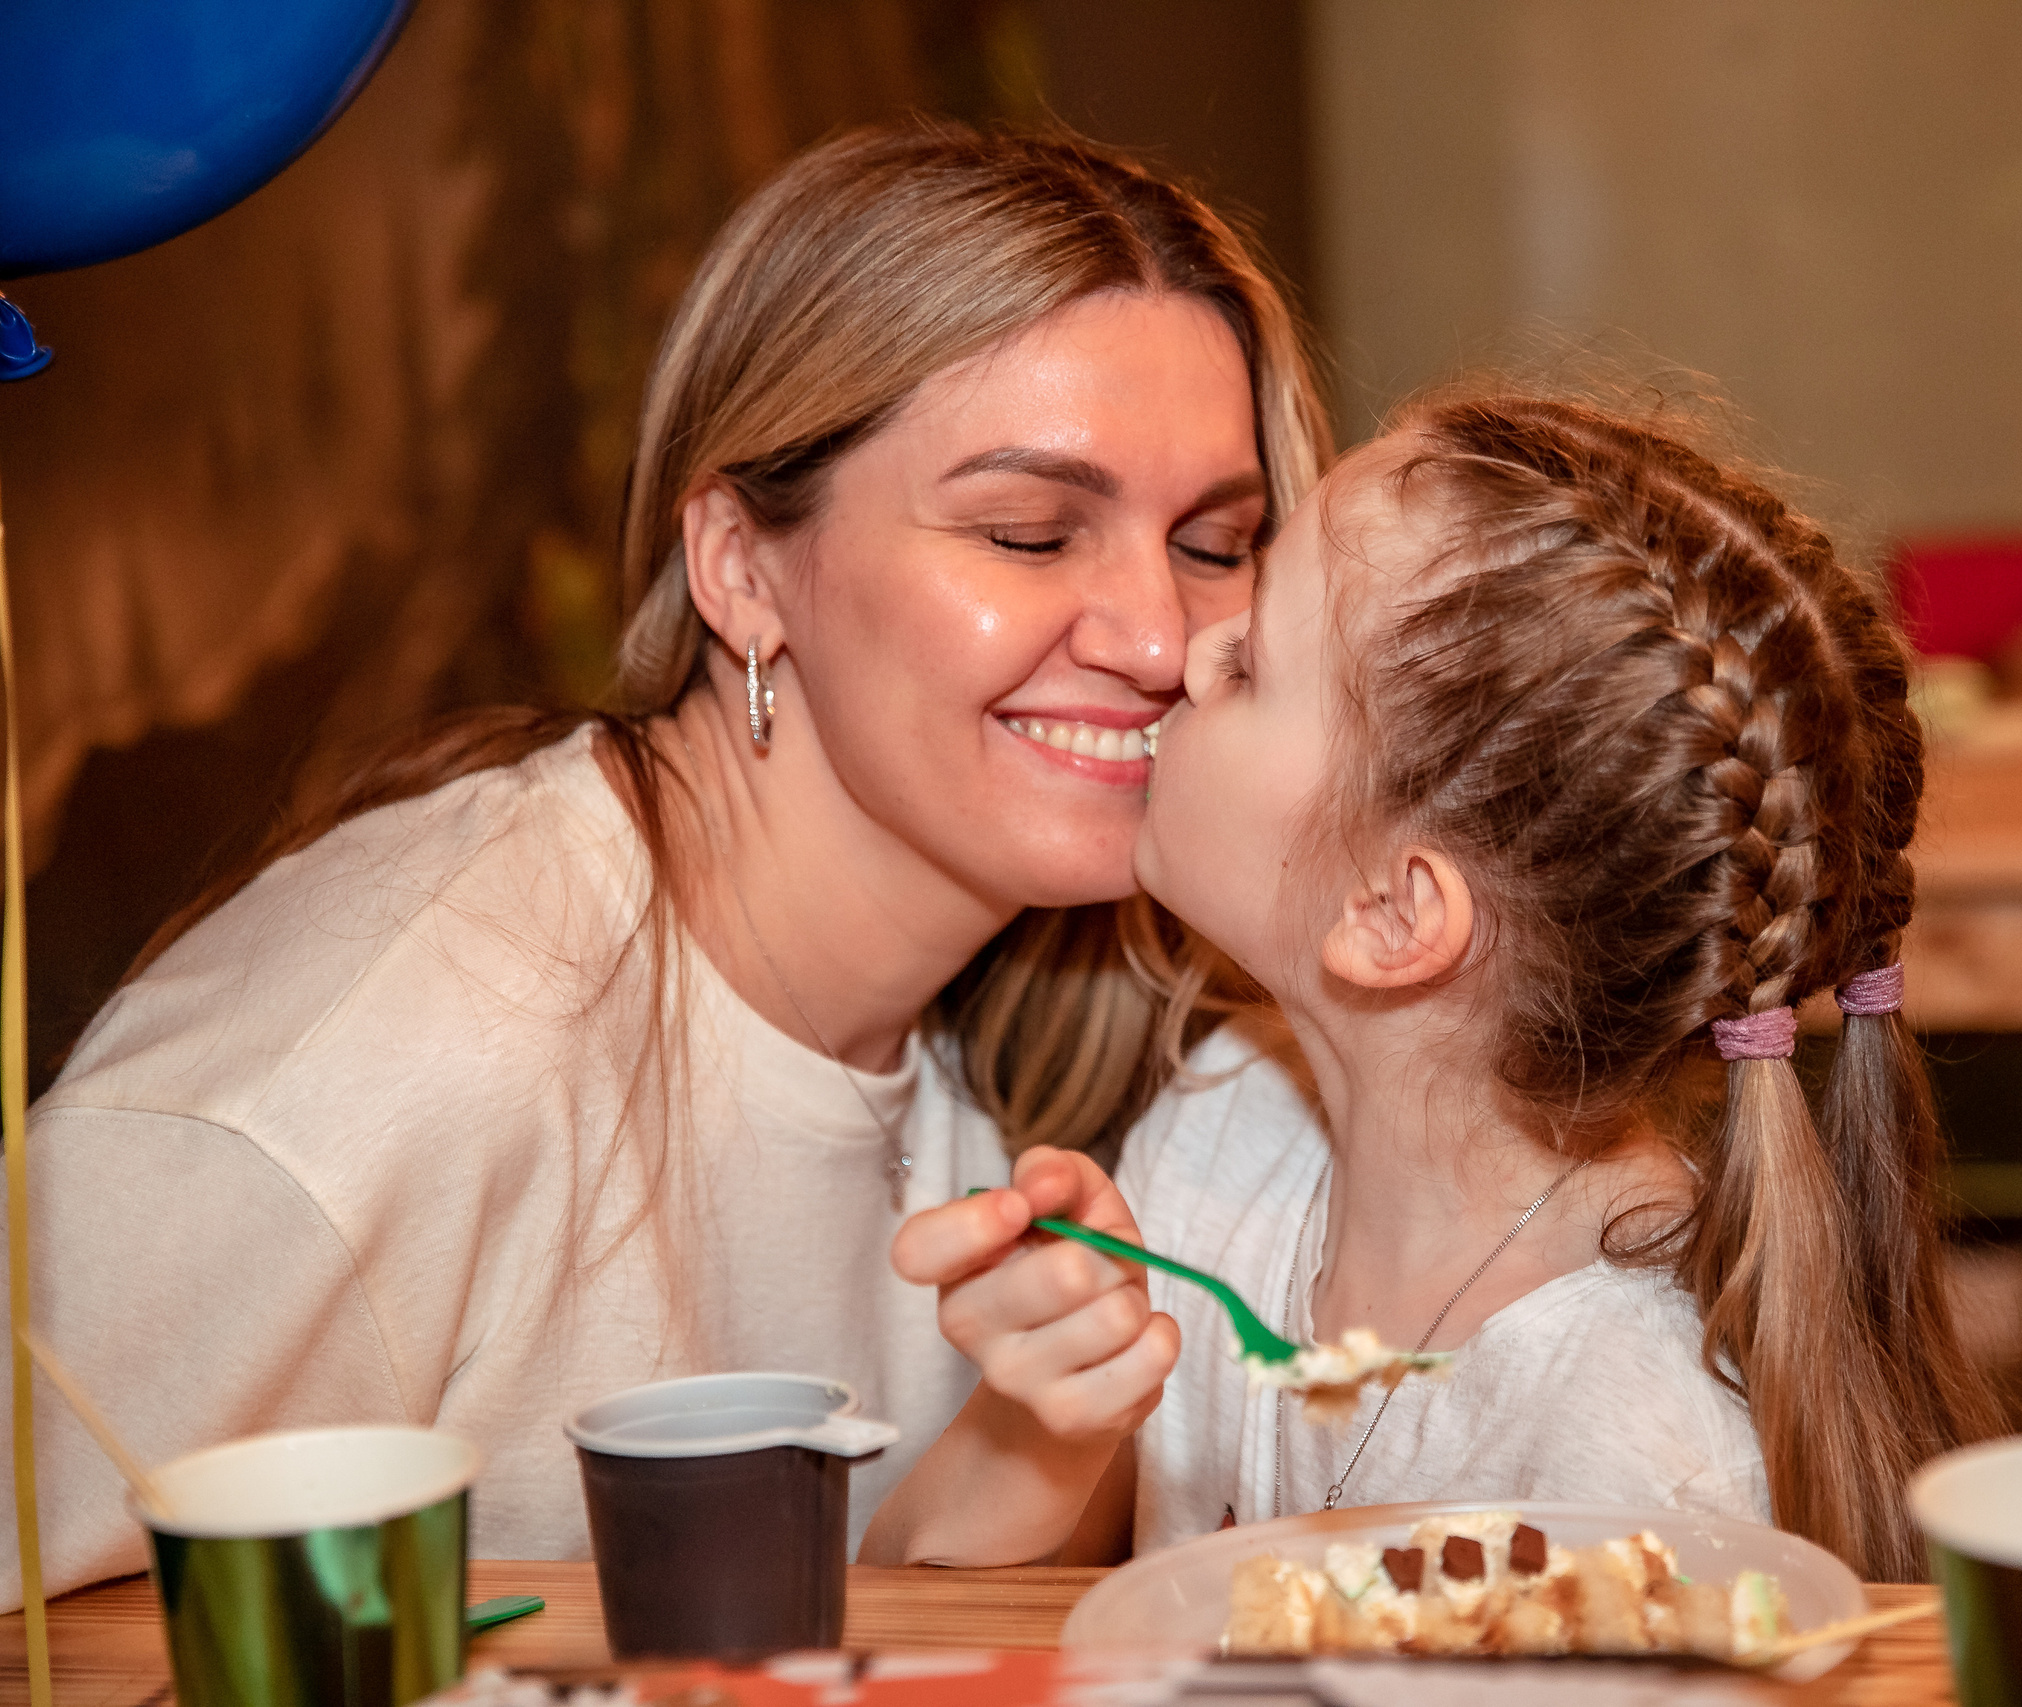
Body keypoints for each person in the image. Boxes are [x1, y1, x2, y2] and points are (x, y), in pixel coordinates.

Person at [0, 121, 1330, 1608]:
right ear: (739, 565)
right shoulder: (396, 1058)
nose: (1160, 639)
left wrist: (1023, 1448)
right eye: (1029, 534)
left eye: (1217, 543)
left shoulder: (1024, 1024)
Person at [873, 391, 2004, 1581]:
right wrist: (1042, 1426)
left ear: (1392, 915)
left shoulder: (1647, 1472)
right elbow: (925, 1621)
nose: (1185, 652)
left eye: (1250, 660)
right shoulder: (1217, 1136)